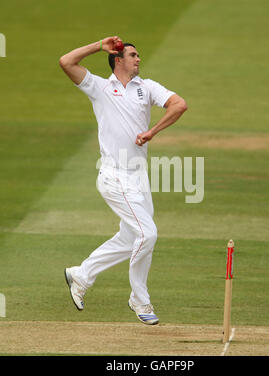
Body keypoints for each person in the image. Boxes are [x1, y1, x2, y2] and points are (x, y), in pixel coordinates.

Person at [59, 36, 187, 325]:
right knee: (148, 234)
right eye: (132, 55)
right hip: (114, 176)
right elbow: (66, 62)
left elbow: (179, 105)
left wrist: (152, 131)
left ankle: (82, 274)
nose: (138, 59)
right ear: (118, 61)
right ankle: (139, 300)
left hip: (139, 177)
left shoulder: (147, 87)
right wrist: (96, 46)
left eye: (138, 55)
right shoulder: (100, 88)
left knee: (132, 237)